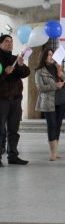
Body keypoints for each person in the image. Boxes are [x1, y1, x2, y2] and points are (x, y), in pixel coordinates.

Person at [0, 34, 30, 167]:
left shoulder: (14, 59)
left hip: (16, 99)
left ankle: (13, 156)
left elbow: (25, 73)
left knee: (14, 129)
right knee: (0, 130)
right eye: (6, 41)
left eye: (11, 42)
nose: (10, 44)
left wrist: (21, 65)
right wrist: (5, 73)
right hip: (2, 100)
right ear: (0, 44)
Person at [35, 48, 65, 161]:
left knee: (58, 125)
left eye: (52, 54)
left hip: (61, 100)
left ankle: (56, 150)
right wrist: (55, 85)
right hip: (48, 102)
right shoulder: (39, 71)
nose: (51, 56)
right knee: (52, 125)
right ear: (44, 57)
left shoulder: (57, 67)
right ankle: (52, 152)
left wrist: (61, 74)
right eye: (49, 54)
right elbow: (40, 88)